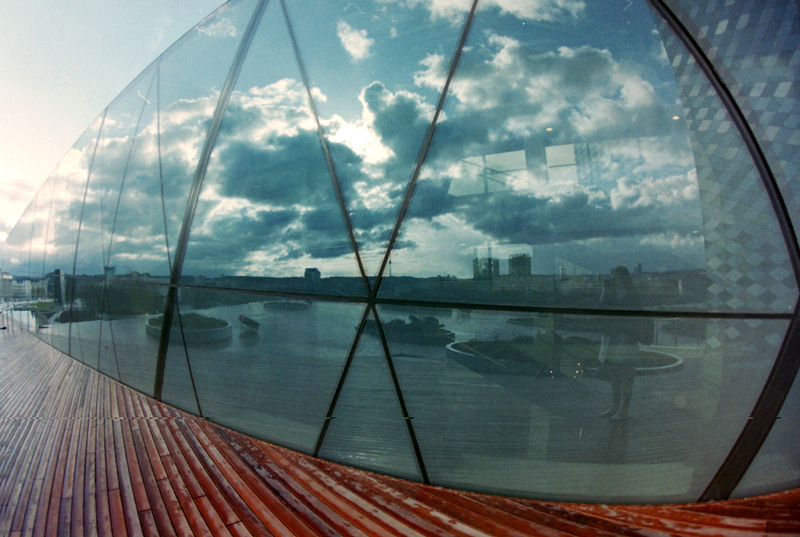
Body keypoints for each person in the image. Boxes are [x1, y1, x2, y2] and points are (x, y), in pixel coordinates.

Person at [597, 266, 642, 421]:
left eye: (618, 276)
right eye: (615, 276)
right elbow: (602, 306)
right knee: (615, 374)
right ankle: (616, 407)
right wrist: (605, 289)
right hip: (614, 337)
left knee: (626, 375)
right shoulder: (611, 291)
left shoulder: (631, 293)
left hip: (627, 338)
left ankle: (623, 409)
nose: (616, 279)